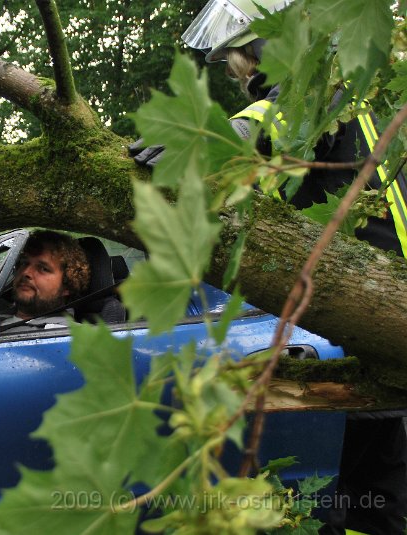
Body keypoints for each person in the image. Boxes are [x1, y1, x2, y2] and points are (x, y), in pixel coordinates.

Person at [133, 1, 407, 533]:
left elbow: (273, 126)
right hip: (373, 310)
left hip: (367, 309)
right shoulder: (361, 86)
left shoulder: (326, 87)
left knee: (352, 494)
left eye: (241, 61)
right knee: (374, 493)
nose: (241, 77)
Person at [0, 230, 90, 332]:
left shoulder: (71, 337)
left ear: (67, 286)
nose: (26, 272)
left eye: (43, 269)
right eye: (24, 263)